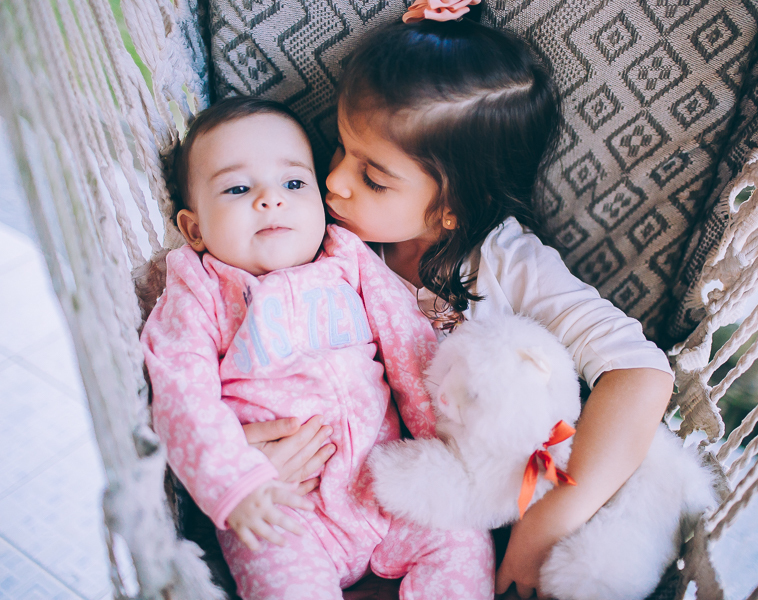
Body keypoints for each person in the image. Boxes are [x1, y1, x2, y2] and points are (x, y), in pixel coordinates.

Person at [248, 6, 676, 599]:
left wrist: (547, 520)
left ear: (453, 207)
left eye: (373, 177)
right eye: (341, 149)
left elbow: (641, 373)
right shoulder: (317, 236)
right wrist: (244, 450)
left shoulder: (506, 264)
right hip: (350, 505)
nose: (335, 182)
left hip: (489, 514)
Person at [141, 96, 494, 600]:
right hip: (281, 503)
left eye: (293, 183)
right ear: (195, 228)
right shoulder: (200, 289)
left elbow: (409, 347)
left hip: (385, 481)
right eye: (239, 188)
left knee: (462, 537)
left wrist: (442, 445)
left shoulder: (346, 257)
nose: (270, 199)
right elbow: (180, 393)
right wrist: (234, 483)